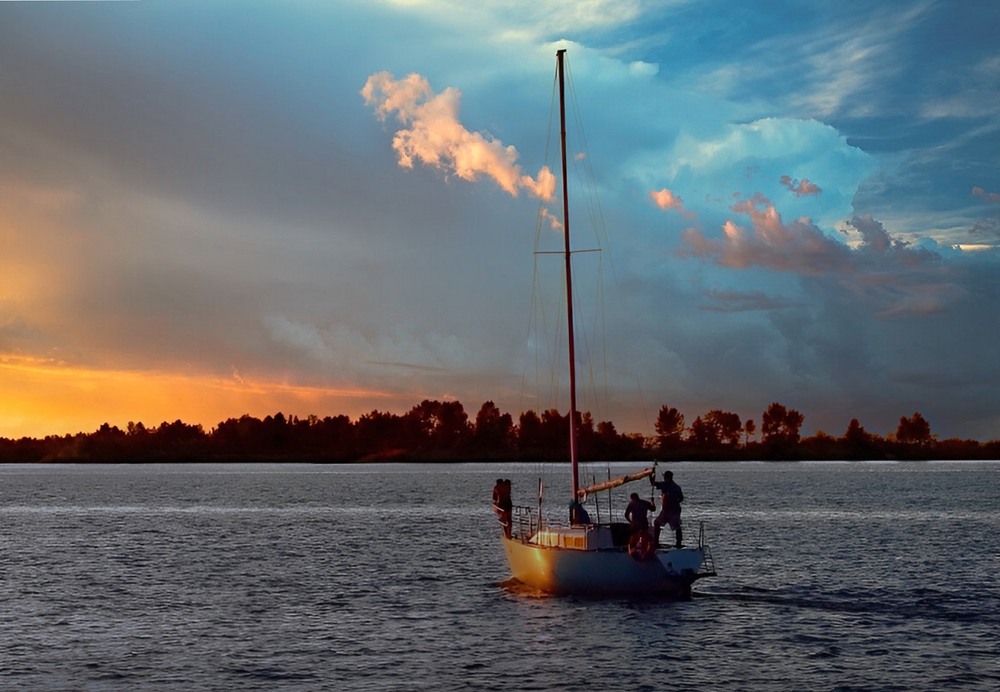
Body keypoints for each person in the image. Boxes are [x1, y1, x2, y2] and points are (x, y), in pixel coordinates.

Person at [651, 470, 684, 548]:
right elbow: (681, 498)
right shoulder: (676, 487)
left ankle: (677, 543)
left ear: (666, 477)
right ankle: (677, 543)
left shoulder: (666, 485)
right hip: (668, 510)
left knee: (676, 526)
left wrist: (651, 476)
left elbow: (653, 483)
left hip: (673, 510)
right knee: (657, 523)